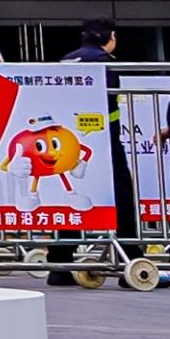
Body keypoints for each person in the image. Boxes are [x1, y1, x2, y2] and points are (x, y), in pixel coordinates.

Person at [47, 22, 124, 285]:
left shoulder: (67, 59)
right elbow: (108, 100)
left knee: (71, 200)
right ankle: (131, 258)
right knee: (123, 197)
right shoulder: (103, 61)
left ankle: (60, 263)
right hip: (104, 141)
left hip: (69, 141)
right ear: (111, 37)